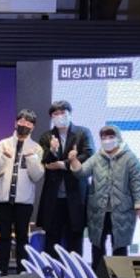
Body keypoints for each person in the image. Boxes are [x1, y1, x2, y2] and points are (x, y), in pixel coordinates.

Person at [68, 125, 140, 271]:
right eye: (103, 138)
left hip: (122, 210)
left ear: (118, 138)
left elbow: (137, 182)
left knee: (120, 246)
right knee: (97, 245)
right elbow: (82, 173)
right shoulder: (97, 157)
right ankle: (98, 276)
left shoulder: (129, 158)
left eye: (110, 137)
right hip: (98, 210)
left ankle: (120, 277)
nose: (107, 140)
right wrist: (73, 160)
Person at [0, 110, 45, 276]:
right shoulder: (3, 144)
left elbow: (37, 176)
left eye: (28, 123)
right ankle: (2, 268)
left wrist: (31, 158)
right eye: (21, 121)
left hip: (24, 202)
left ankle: (22, 269)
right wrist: (5, 157)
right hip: (3, 200)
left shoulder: (36, 148)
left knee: (22, 237)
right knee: (4, 236)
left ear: (33, 127)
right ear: (15, 123)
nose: (24, 125)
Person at [37, 100, 94, 256]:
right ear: (51, 117)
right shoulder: (46, 136)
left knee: (75, 238)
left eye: (63, 113)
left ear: (70, 114)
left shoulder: (83, 133)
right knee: (51, 238)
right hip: (53, 196)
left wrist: (64, 164)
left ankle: (74, 269)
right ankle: (51, 269)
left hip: (75, 194)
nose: (60, 116)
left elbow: (89, 155)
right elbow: (43, 160)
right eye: (55, 114)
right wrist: (53, 151)